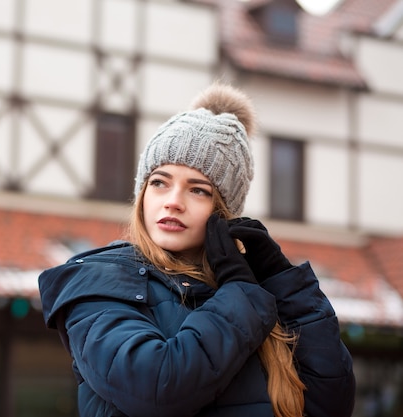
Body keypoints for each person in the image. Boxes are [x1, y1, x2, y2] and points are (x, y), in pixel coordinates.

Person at [38, 83, 355, 417]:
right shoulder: (99, 282)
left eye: (198, 190)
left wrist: (282, 282)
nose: (173, 201)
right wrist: (241, 295)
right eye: (159, 182)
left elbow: (331, 403)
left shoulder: (253, 297)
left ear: (224, 211)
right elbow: (157, 388)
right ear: (142, 194)